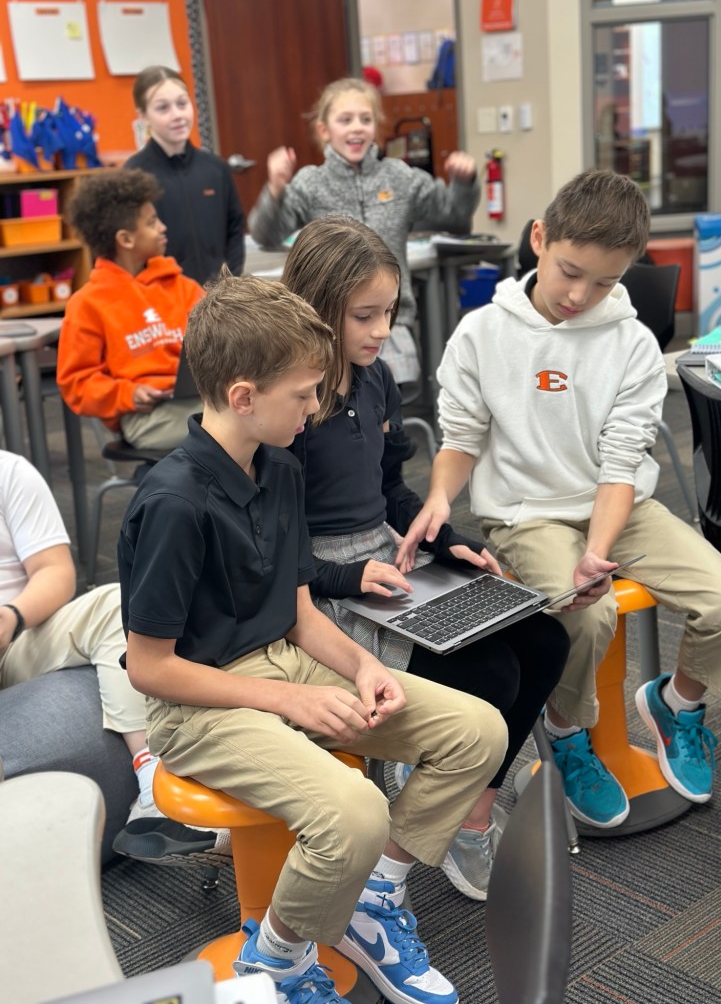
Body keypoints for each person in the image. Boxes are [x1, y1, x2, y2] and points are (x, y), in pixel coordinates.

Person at [117, 272, 507, 1004]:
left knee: (477, 732)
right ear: (243, 397)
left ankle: (374, 899)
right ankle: (276, 960)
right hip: (196, 704)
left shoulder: (281, 468)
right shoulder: (172, 503)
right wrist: (288, 700)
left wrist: (361, 667)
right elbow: (149, 670)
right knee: (355, 810)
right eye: (303, 395)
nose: (315, 406)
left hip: (283, 664)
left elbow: (297, 613)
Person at [398, 169, 721, 830]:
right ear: (539, 238)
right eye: (570, 272)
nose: (579, 295)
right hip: (526, 514)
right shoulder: (482, 334)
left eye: (603, 282)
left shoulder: (632, 344)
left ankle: (679, 705)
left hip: (621, 507)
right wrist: (440, 497)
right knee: (588, 616)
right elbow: (460, 438)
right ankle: (568, 735)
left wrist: (597, 550)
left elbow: (621, 467)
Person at [281, 215, 569, 901]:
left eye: (389, 313)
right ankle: (418, 834)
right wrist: (347, 575)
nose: (382, 331)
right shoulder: (288, 401)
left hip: (386, 560)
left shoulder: (375, 379)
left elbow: (390, 490)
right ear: (318, 310)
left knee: (546, 641)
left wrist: (443, 536)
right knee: (492, 673)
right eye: (365, 316)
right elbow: (272, 546)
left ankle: (469, 813)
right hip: (318, 590)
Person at [0, 449, 228, 861]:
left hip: (14, 637)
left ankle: (152, 780)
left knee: (114, 603)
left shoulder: (9, 472)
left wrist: (11, 617)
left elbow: (55, 572)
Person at [249, 76, 480, 386]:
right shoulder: (310, 183)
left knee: (386, 405)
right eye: (345, 120)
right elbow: (266, 234)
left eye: (365, 119)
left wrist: (464, 183)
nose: (356, 127)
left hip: (390, 325)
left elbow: (456, 217)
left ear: (376, 127)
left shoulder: (399, 177)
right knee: (334, 406)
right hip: (329, 328)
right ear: (324, 130)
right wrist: (275, 191)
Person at [57, 168, 205, 452]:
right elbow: (77, 384)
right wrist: (130, 394)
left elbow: (221, 340)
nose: (162, 227)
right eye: (152, 222)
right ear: (125, 239)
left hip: (203, 398)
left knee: (260, 413)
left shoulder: (184, 287)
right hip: (144, 414)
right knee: (233, 426)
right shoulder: (87, 304)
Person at [125, 65, 245, 285]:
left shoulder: (216, 169)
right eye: (163, 108)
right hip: (162, 295)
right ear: (143, 116)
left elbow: (235, 230)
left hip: (218, 297)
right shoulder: (134, 176)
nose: (177, 115)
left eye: (182, 104)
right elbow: (132, 249)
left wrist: (229, 285)